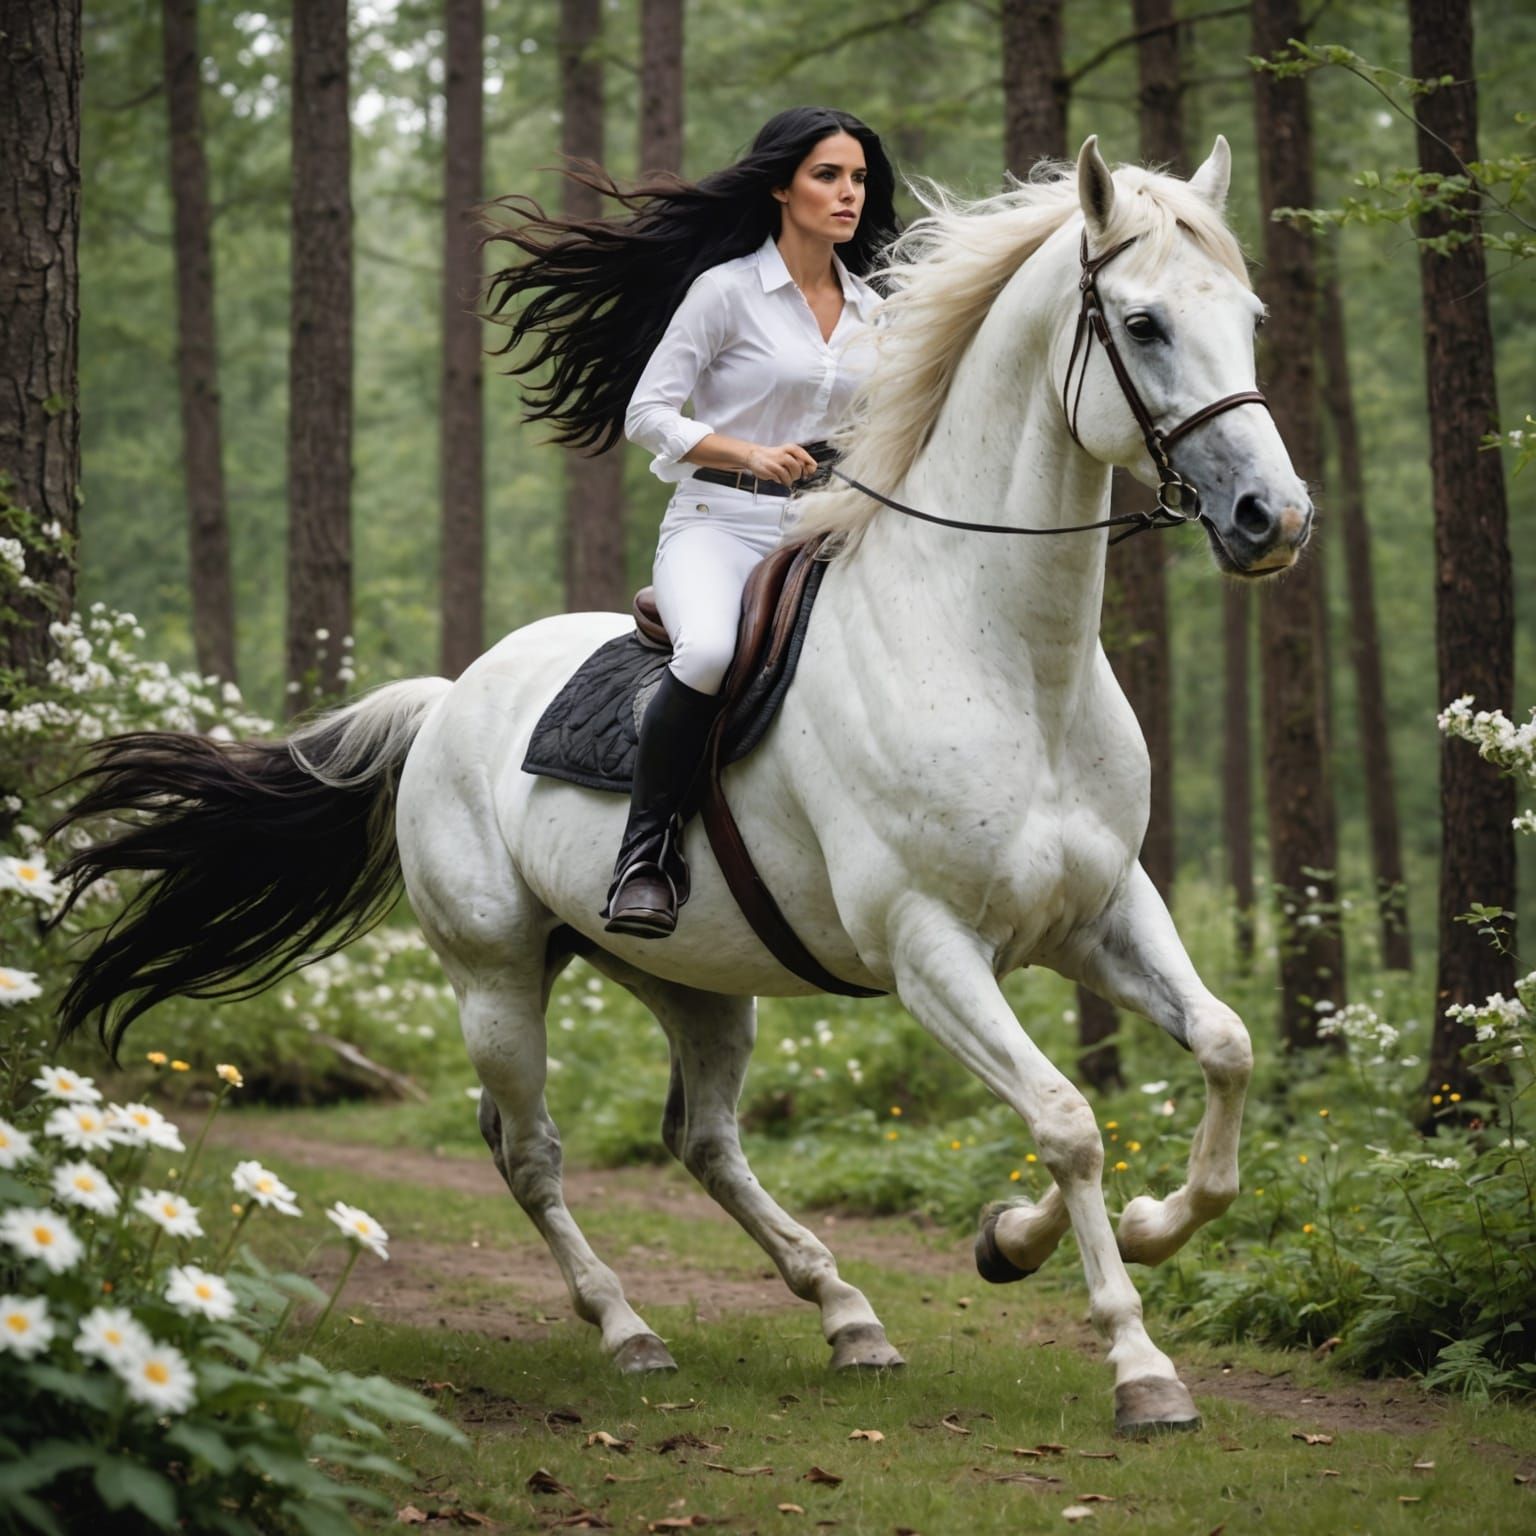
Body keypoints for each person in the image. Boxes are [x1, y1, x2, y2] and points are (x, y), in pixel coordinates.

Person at [482, 106, 900, 939]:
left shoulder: (875, 312)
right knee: (708, 651)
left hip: (829, 535)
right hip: (720, 524)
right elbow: (648, 412)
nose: (848, 194)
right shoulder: (726, 291)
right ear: (781, 186)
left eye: (858, 178)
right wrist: (746, 453)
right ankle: (647, 854)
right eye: (828, 175)